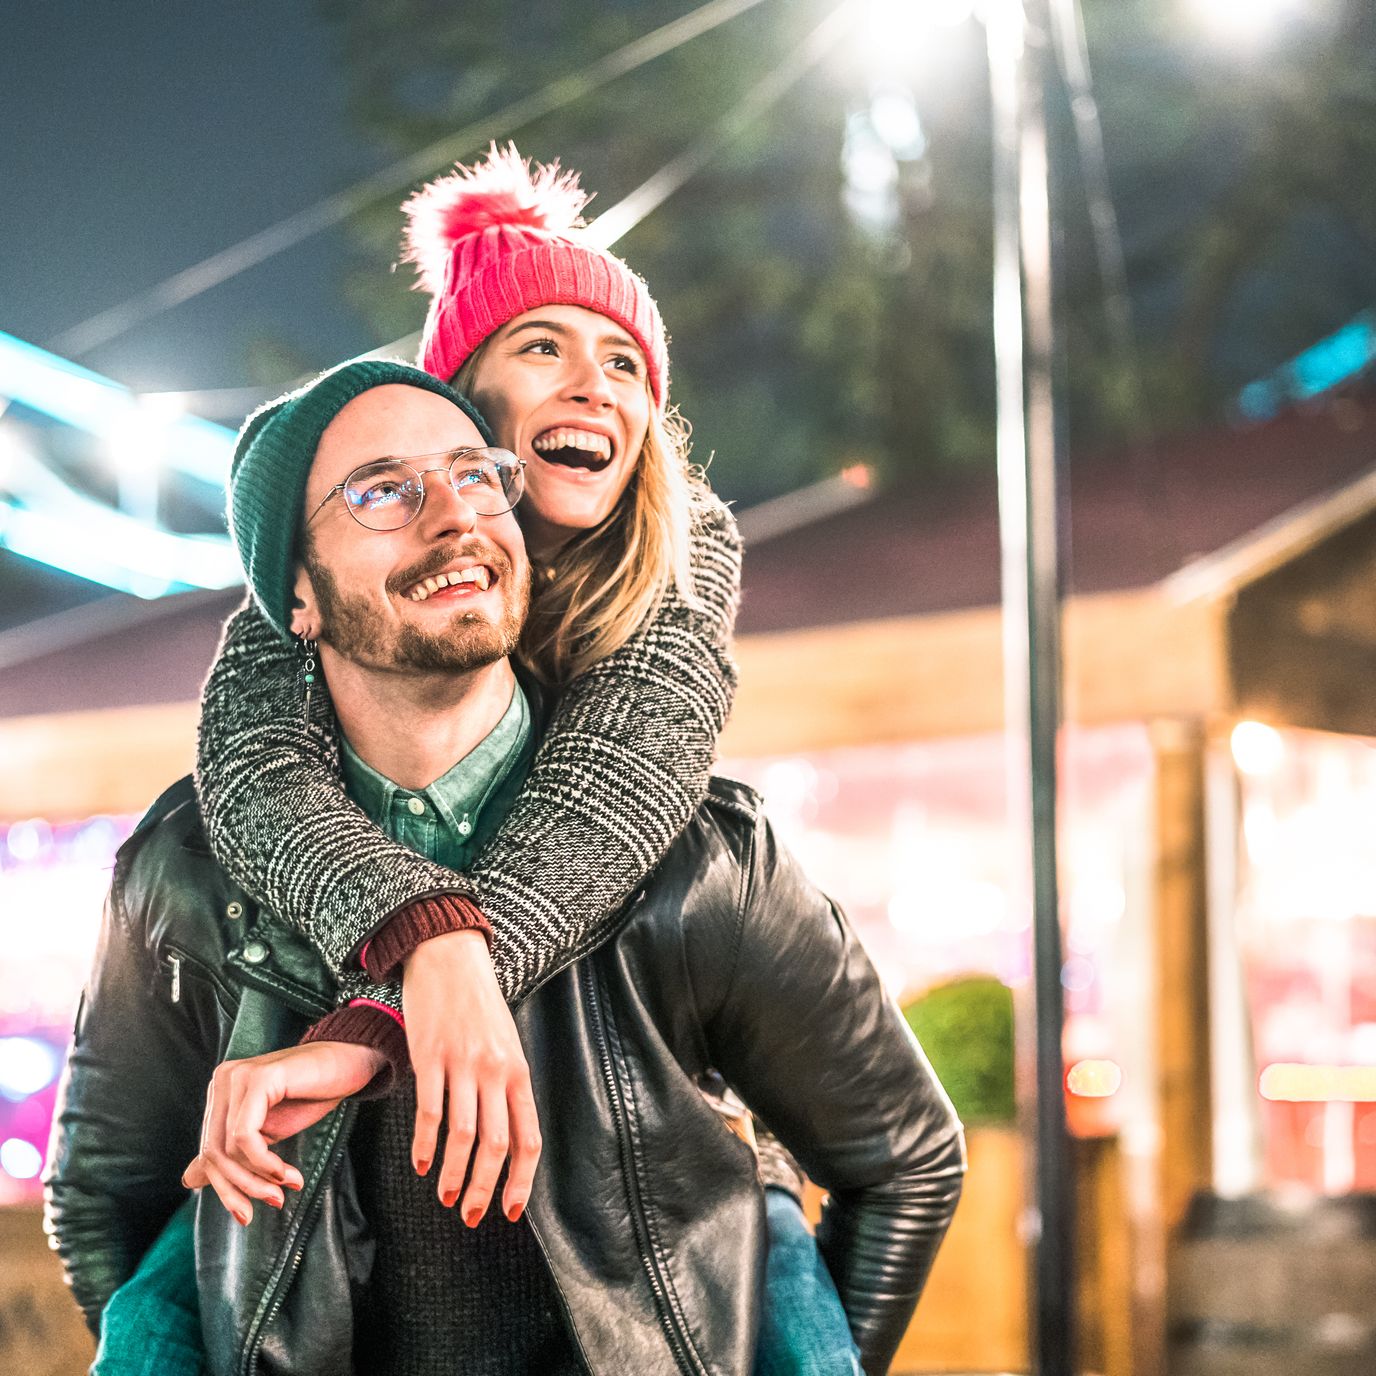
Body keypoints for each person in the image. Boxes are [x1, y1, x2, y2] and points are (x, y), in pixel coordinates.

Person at [46, 362, 965, 1376]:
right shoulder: (186, 871)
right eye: (383, 490)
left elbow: (905, 1162)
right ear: (296, 593)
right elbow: (103, 1201)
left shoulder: (700, 863)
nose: (454, 516)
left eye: (476, 475)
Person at [187, 146, 857, 1369]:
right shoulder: (335, 558)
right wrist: (415, 933)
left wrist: (414, 979)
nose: (593, 383)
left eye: (624, 362)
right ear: (456, 394)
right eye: (542, 347)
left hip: (663, 1179)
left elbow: (617, 781)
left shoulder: (680, 552)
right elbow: (250, 766)